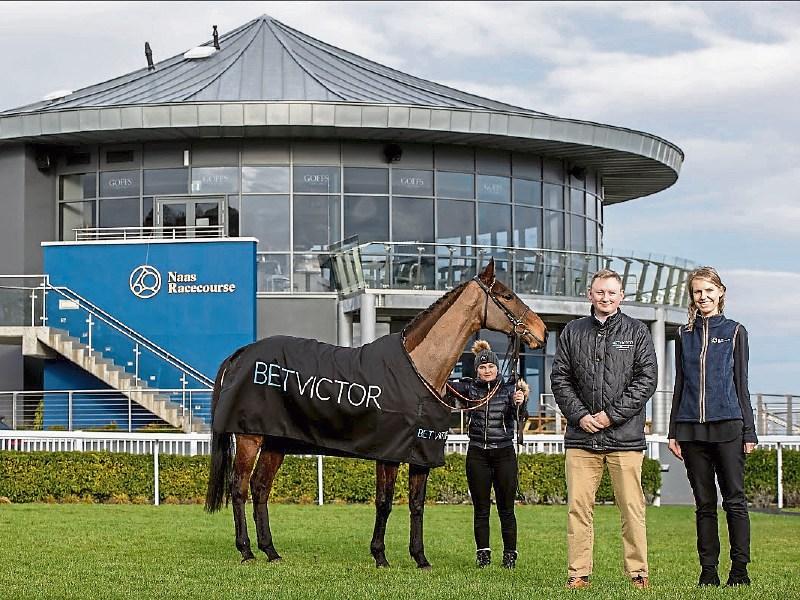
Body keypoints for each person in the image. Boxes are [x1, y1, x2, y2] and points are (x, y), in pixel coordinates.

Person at [550, 269, 657, 590]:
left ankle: (638, 573)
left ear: (621, 296)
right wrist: (580, 415)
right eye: (599, 292)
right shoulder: (572, 331)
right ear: (589, 294)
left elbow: (646, 380)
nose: (605, 298)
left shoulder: (637, 332)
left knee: (632, 510)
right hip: (581, 440)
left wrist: (610, 416)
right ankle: (578, 573)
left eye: (611, 293)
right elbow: (560, 379)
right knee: (578, 510)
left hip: (625, 440)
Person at [667, 266, 757, 587]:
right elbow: (680, 383)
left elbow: (741, 384)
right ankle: (708, 572)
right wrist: (673, 429)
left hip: (729, 426)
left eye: (708, 290)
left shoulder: (735, 331)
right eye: (697, 292)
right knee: (704, 505)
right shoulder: (684, 334)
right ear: (692, 297)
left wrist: (750, 430)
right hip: (691, 429)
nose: (703, 297)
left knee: (734, 500)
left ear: (720, 292)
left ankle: (739, 571)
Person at [446, 339, 527, 569]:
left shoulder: (510, 389)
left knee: (506, 509)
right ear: (477, 370)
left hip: (503, 454)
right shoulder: (469, 388)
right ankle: (483, 555)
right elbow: (444, 384)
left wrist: (521, 401)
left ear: (496, 366)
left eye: (491, 366)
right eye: (482, 367)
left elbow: (521, 418)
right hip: (477, 454)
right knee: (481, 509)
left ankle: (510, 555)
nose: (487, 370)